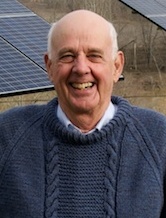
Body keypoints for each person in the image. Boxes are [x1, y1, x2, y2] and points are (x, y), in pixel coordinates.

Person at [0, 9, 166, 218]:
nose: (81, 68)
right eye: (67, 56)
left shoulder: (158, 137)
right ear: (49, 67)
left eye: (94, 56)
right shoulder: (7, 134)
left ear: (117, 66)